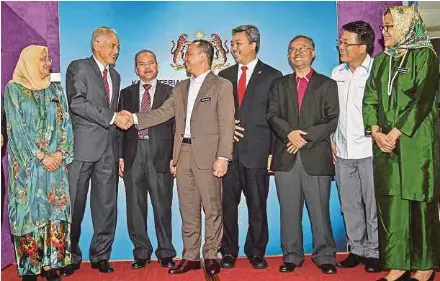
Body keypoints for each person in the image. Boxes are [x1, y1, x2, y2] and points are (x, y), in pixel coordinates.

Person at [118, 39, 235, 276]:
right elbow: (161, 113)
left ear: (203, 56)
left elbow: (227, 124)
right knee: (188, 208)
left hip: (209, 156)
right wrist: (134, 118)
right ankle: (191, 256)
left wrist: (223, 156)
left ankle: (211, 254)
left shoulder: (221, 85)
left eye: (189, 54)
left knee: (212, 207)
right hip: (183, 155)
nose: (186, 59)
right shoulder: (180, 88)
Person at [363, 6, 440, 281]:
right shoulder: (382, 60)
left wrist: (394, 133)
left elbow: (422, 100)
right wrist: (375, 131)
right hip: (384, 144)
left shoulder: (425, 56)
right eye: (383, 27)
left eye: (389, 27)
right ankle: (398, 265)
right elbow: (370, 96)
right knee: (391, 204)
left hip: (415, 142)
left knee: (418, 202)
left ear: (407, 26)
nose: (384, 33)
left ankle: (424, 266)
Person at [266, 35, 339, 274]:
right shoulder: (279, 84)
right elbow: (272, 114)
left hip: (315, 156)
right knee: (289, 211)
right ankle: (292, 256)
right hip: (286, 156)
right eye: (292, 49)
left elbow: (331, 119)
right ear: (288, 55)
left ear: (313, 52)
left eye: (302, 48)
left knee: (320, 211)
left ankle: (325, 256)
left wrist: (304, 136)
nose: (297, 53)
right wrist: (290, 134)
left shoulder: (327, 85)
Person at [3, 45, 74, 281]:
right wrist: (42, 156)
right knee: (28, 213)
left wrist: (61, 154)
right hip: (29, 167)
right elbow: (16, 130)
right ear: (30, 62)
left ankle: (51, 265)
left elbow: (66, 125)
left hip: (55, 168)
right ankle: (30, 267)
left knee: (55, 211)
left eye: (49, 58)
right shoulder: (13, 90)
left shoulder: (56, 89)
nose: (49, 63)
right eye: (43, 59)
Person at [218, 24, 282, 270]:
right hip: (228, 153)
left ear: (254, 44)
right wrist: (225, 130)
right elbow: (215, 114)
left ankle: (256, 251)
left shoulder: (272, 75)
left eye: (238, 43)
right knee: (227, 207)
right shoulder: (223, 76)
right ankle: (229, 251)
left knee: (258, 206)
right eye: (232, 43)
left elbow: (277, 116)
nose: (233, 48)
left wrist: (273, 153)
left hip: (258, 153)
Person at [64, 27, 128, 275]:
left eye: (118, 47)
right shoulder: (78, 67)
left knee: (106, 205)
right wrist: (112, 117)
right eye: (112, 45)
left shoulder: (117, 76)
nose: (116, 50)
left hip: (108, 151)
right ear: (96, 44)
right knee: (74, 206)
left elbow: (115, 116)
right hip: (81, 148)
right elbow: (77, 102)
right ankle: (69, 256)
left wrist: (119, 148)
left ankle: (100, 255)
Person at [331, 21, 382, 273]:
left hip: (370, 151)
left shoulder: (377, 72)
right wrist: (331, 137)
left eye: (346, 43)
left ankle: (375, 252)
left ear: (362, 47)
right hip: (342, 151)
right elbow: (331, 112)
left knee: (373, 204)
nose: (341, 46)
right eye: (340, 42)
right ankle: (357, 249)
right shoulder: (336, 73)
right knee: (349, 204)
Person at [118, 50, 176, 269]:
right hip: (133, 156)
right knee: (135, 207)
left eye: (151, 62)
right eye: (142, 64)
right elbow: (118, 130)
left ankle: (166, 252)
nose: (147, 67)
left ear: (157, 66)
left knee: (162, 207)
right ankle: (141, 252)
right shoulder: (126, 93)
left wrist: (174, 156)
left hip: (160, 156)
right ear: (136, 69)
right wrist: (120, 156)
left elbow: (176, 126)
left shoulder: (171, 92)